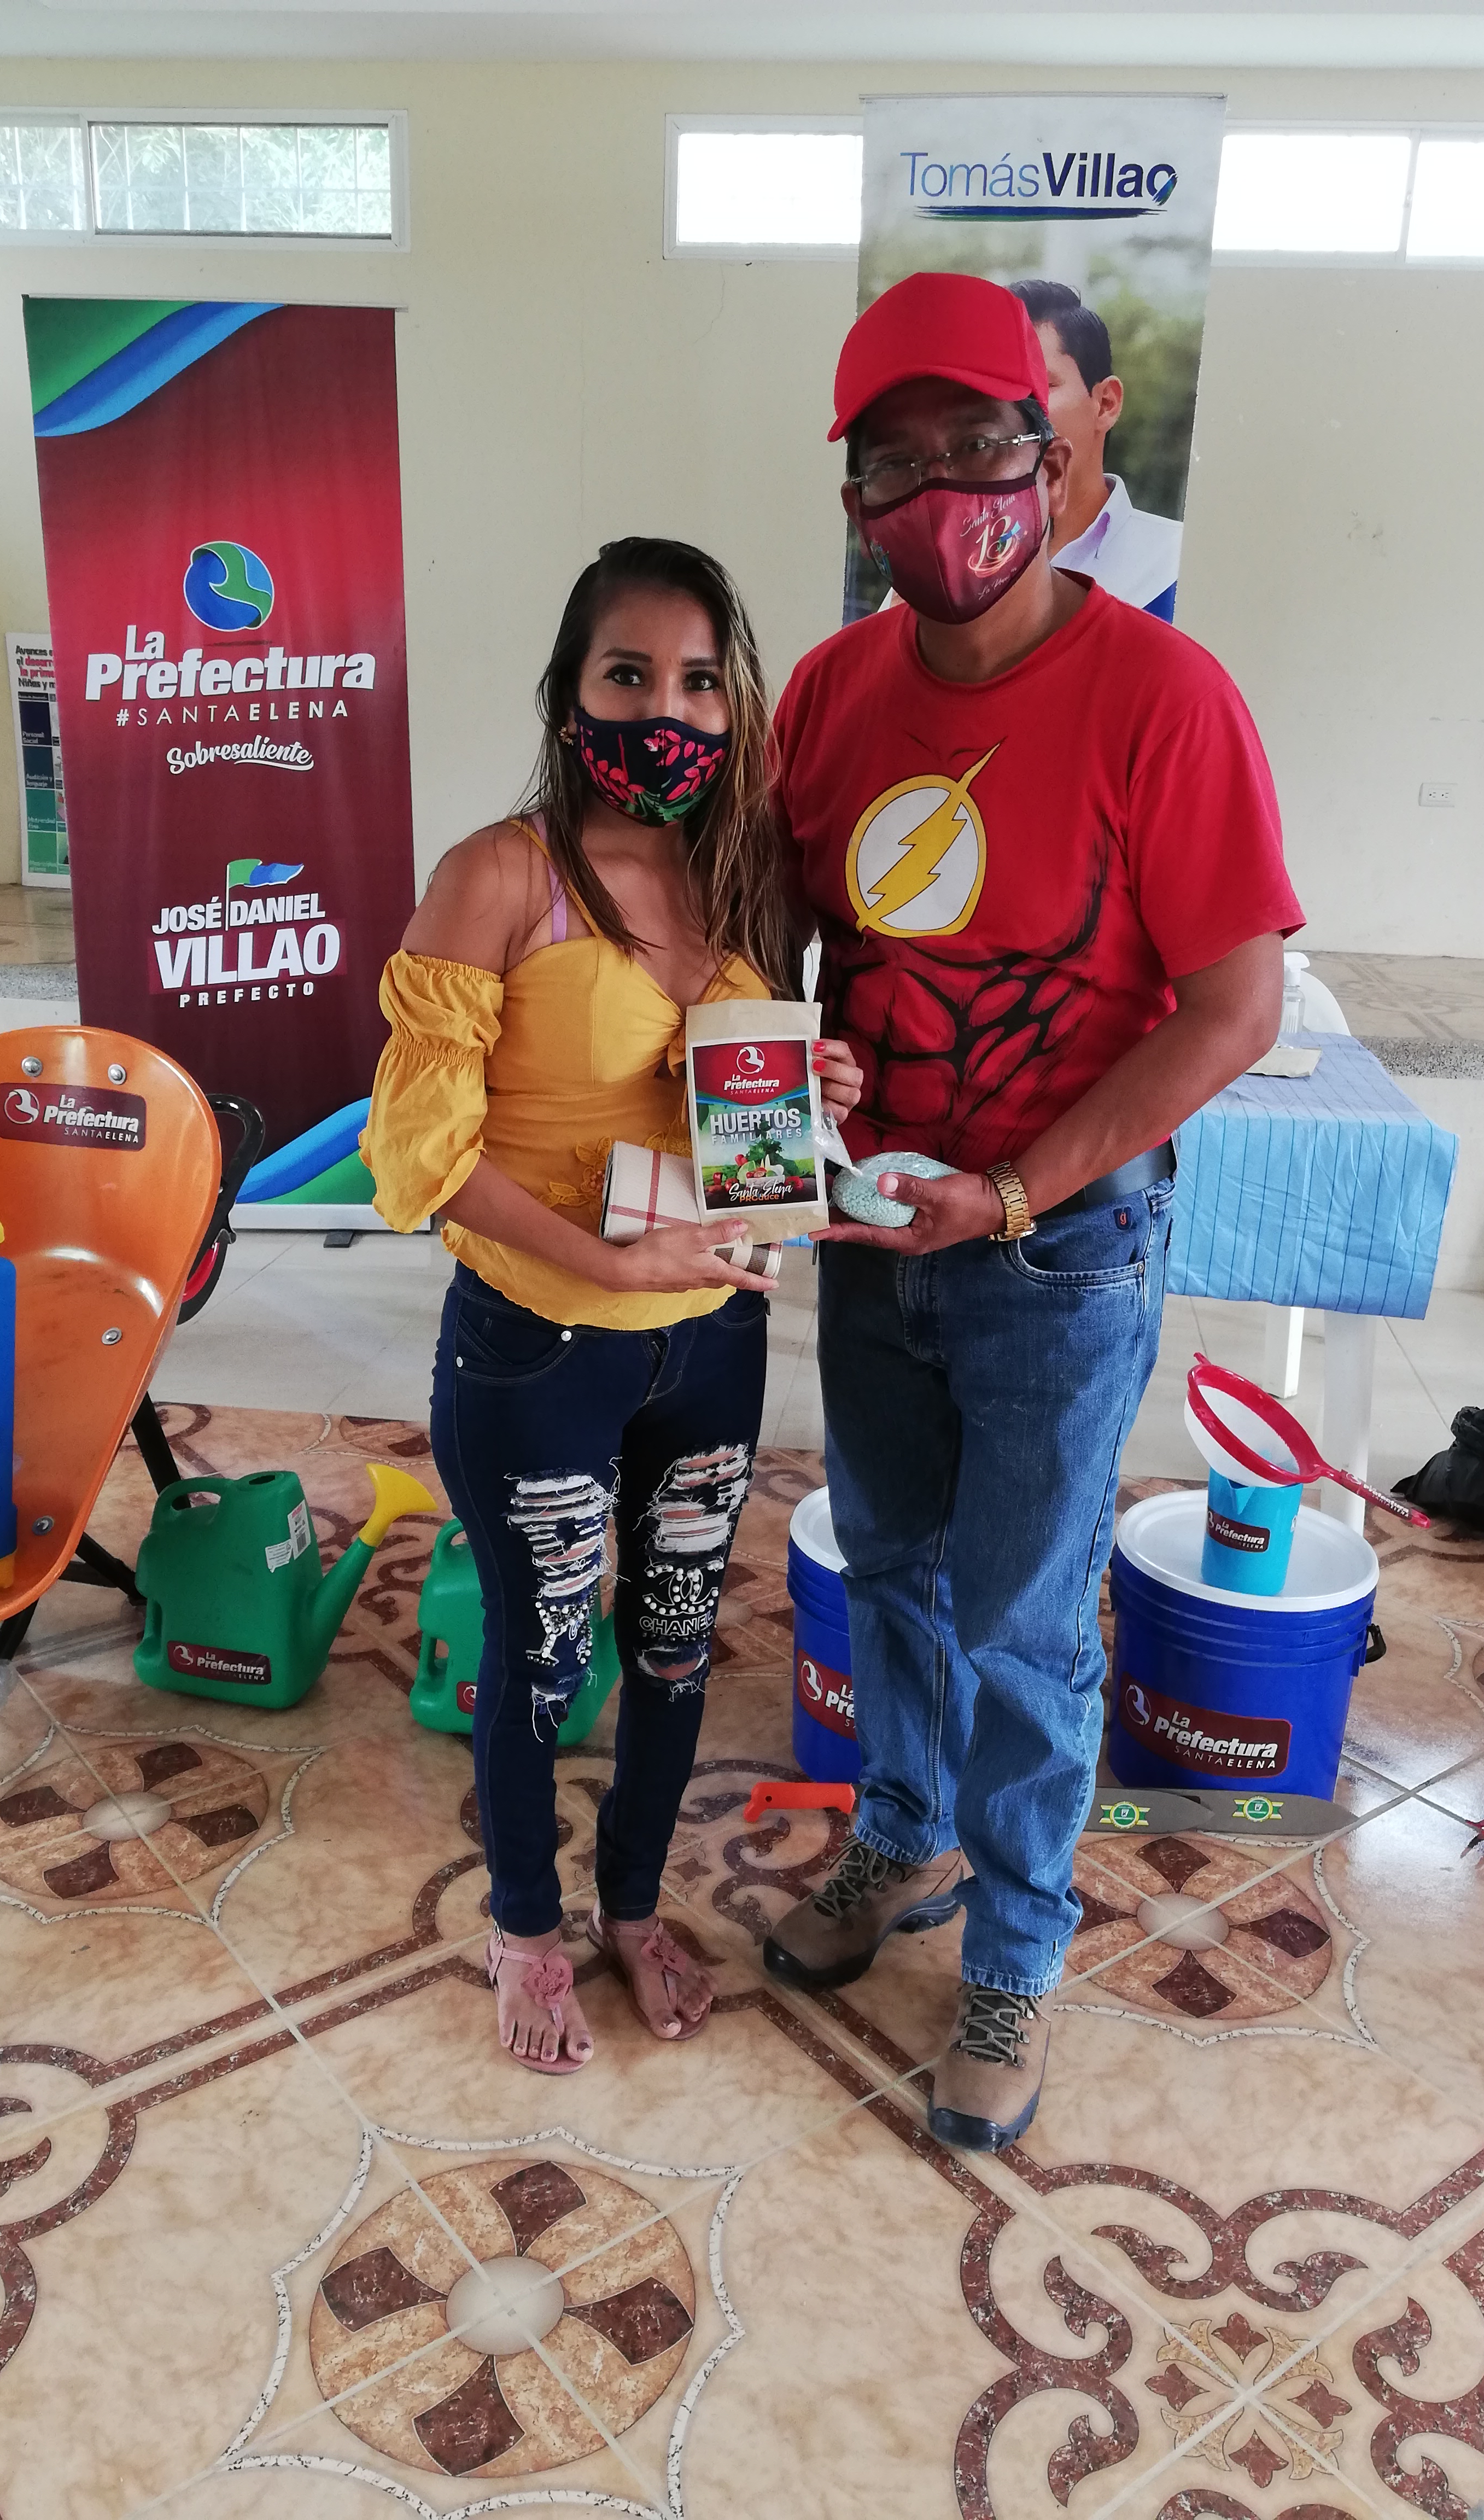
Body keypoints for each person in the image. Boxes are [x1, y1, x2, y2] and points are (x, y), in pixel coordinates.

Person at [762, 272, 1301, 2151]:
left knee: (1021, 1615)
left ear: (1053, 454)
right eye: (894, 461)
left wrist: (1006, 1190)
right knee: (888, 1564)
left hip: (1056, 1248)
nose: (943, 493)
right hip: (872, 1230)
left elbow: (1233, 1007)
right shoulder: (828, 694)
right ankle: (900, 1834)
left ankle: (1013, 1940)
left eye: (979, 444)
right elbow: (774, 952)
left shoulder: (1166, 698)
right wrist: (785, 1083)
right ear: (855, 497)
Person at [363, 536, 861, 2075]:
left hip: (712, 1339)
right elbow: (420, 1156)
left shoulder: (754, 882)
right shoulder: (500, 876)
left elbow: (744, 1114)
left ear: (735, 701)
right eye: (628, 674)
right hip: (541, 1349)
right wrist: (606, 1264)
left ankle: (634, 1906)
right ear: (569, 690)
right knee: (539, 1657)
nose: (665, 710)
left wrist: (817, 1091)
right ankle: (526, 1925)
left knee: (673, 1644)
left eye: (699, 681)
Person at [1008, 276, 1182, 619]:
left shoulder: (1175, 563)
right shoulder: (955, 567)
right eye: (998, 393)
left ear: (1106, 404)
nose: (1013, 412)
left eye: (1038, 386)